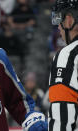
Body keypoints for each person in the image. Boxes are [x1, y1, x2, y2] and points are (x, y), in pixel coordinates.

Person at [49, 0, 78, 130]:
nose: (58, 27)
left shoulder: (67, 55)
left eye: (58, 19)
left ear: (69, 20)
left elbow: (62, 114)